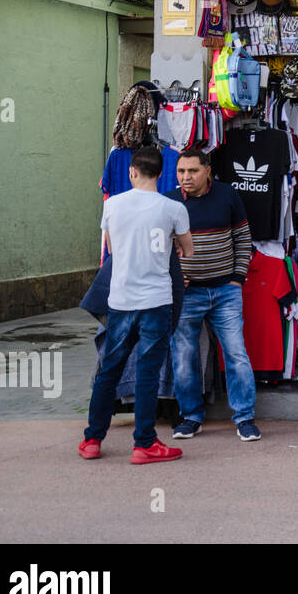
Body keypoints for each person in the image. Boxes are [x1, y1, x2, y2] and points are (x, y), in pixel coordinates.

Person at [80, 148, 193, 464]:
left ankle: (92, 439)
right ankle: (144, 443)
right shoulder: (173, 208)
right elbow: (189, 251)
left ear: (132, 172)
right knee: (148, 373)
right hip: (156, 300)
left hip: (121, 300)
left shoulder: (113, 205)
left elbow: (112, 249)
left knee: (109, 370)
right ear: (162, 175)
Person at [165, 149, 262, 441]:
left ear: (208, 170)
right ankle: (190, 416)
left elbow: (243, 238)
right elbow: (160, 246)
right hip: (187, 293)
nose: (186, 178)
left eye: (192, 171)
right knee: (184, 356)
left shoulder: (227, 195)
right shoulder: (169, 202)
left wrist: (237, 278)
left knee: (236, 353)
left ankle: (244, 417)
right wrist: (172, 275)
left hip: (225, 291)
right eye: (181, 172)